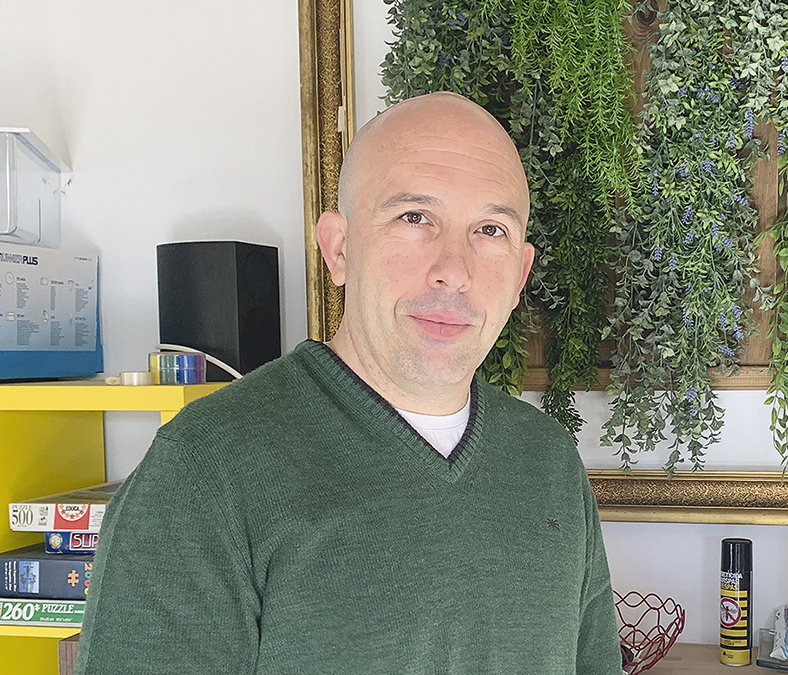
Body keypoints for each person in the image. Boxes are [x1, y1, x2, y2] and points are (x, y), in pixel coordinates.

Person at [77, 92, 623, 675]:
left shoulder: (547, 459)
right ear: (339, 249)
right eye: (415, 218)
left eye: (491, 230)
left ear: (519, 275)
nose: (455, 271)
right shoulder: (203, 470)